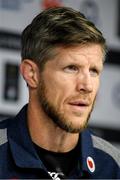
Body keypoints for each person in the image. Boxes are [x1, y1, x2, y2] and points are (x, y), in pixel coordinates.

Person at [0, 7, 120, 179]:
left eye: (94, 71)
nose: (87, 86)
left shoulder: (113, 166)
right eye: (71, 68)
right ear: (32, 74)